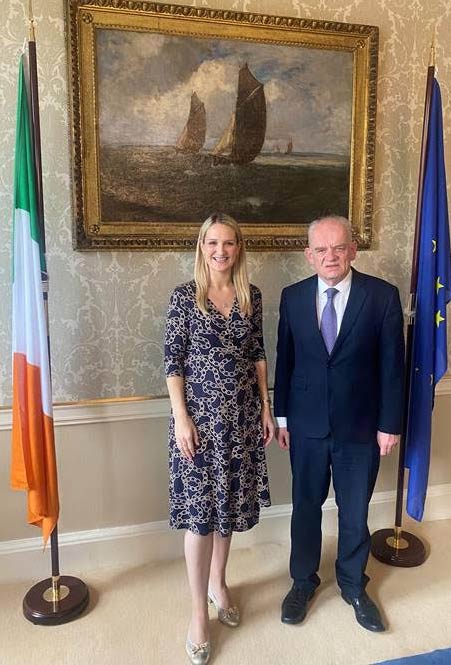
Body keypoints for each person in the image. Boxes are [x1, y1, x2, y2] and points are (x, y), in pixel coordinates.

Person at [274, 215, 404, 633]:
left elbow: (393, 368)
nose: (330, 256)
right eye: (321, 249)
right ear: (309, 255)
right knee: (305, 508)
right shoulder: (293, 297)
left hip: (361, 429)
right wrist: (281, 417)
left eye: (338, 247)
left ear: (352, 250)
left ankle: (352, 584)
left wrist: (389, 424)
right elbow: (285, 361)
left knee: (354, 511)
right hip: (306, 426)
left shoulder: (381, 296)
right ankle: (302, 582)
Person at [164, 212, 274, 665]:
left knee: (226, 511)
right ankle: (197, 613)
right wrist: (181, 418)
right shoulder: (185, 297)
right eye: (213, 242)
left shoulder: (251, 296)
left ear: (238, 248)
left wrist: (266, 407)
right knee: (200, 518)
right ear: (202, 247)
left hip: (242, 422)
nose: (220, 251)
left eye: (228, 243)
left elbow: (258, 353)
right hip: (199, 426)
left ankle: (219, 583)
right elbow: (173, 362)